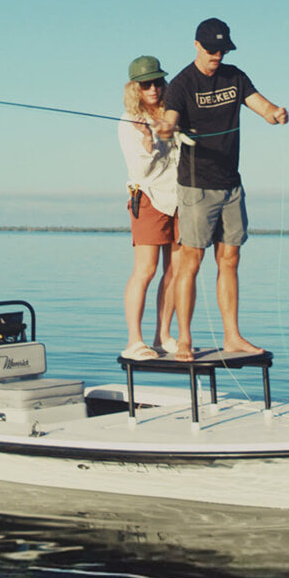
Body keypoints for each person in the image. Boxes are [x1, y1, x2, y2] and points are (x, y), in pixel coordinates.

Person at [158, 19, 288, 361]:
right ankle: (184, 339)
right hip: (197, 186)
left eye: (223, 50)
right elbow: (169, 118)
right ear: (197, 45)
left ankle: (232, 336)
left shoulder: (235, 76)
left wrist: (274, 113)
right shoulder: (182, 84)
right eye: (212, 49)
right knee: (192, 261)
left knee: (230, 259)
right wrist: (167, 126)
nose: (218, 55)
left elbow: (261, 105)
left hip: (231, 184)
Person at [117, 55, 181, 361]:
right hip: (149, 198)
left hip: (181, 199)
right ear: (135, 88)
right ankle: (134, 341)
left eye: (157, 82)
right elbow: (140, 172)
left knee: (176, 270)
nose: (153, 88)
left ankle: (163, 336)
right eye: (146, 84)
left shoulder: (174, 113)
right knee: (146, 269)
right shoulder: (127, 122)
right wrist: (147, 140)